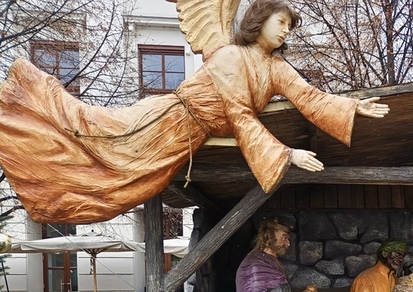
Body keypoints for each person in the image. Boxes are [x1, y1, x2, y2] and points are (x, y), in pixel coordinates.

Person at [0, 0, 389, 224]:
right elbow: (239, 115)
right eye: (281, 22)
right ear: (260, 20)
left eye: (290, 26)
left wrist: (353, 106)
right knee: (92, 131)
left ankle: (51, 194)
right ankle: (24, 99)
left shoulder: (276, 69)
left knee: (121, 186)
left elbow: (310, 97)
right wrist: (287, 154)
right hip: (164, 120)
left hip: (185, 141)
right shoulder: (231, 55)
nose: (286, 30)